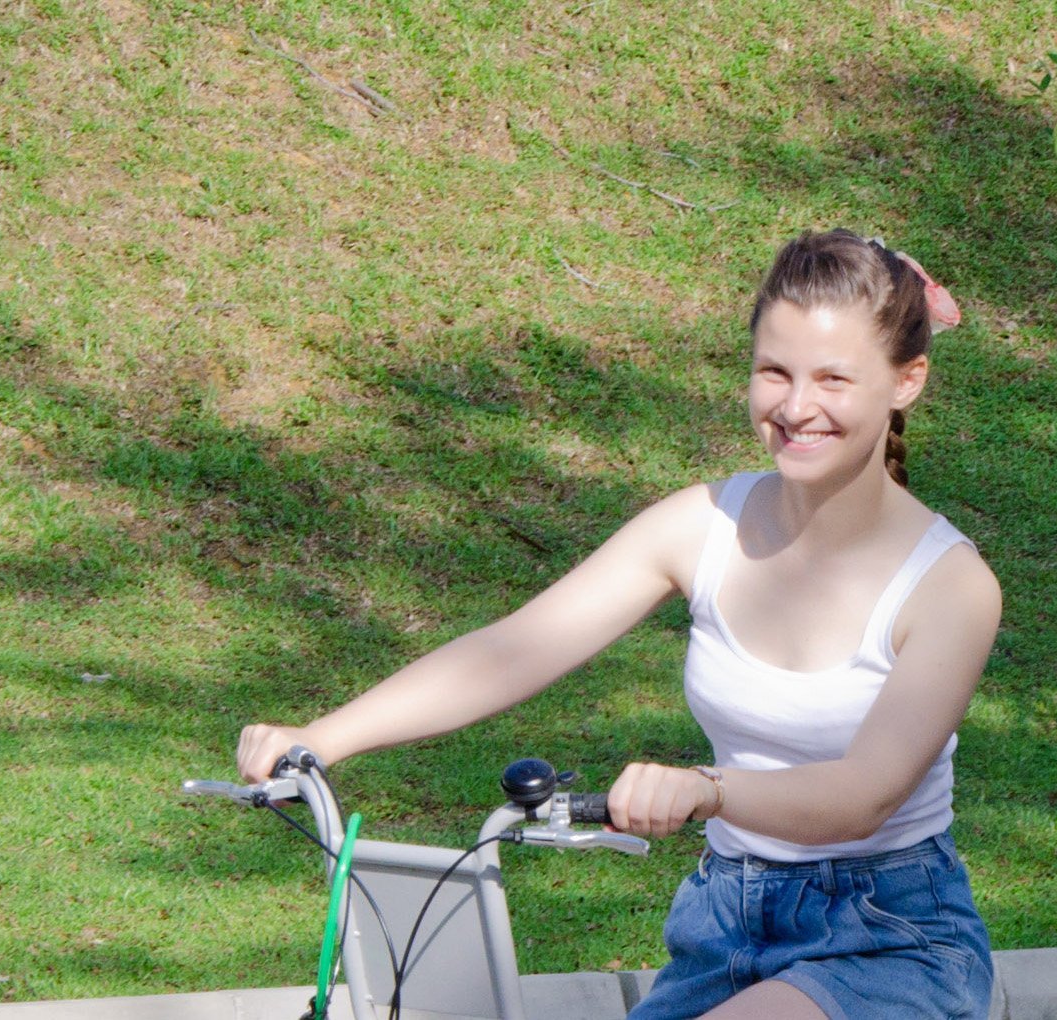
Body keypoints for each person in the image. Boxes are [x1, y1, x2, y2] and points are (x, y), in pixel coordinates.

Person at [237, 228, 1001, 1019]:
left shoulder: (949, 586)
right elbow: (514, 650)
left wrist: (707, 790)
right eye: (775, 371)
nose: (796, 406)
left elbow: (864, 794)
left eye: (833, 378)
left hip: (888, 937)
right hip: (726, 924)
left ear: (906, 380)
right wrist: (321, 737)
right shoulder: (703, 525)